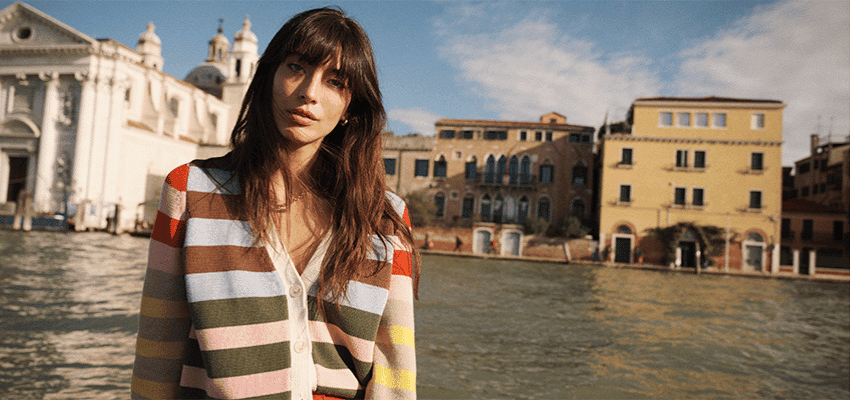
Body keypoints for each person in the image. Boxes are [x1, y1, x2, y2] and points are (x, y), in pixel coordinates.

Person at [131, 7, 419, 400]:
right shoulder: (190, 193)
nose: (308, 93)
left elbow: (394, 374)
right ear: (269, 76)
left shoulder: (384, 218)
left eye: (335, 81)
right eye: (296, 67)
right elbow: (157, 355)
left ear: (351, 107)